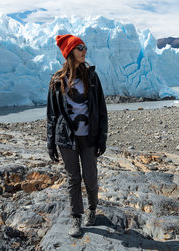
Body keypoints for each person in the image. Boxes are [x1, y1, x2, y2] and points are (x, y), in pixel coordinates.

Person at [47, 34, 108, 237]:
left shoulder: (91, 77)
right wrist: (50, 143)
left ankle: (92, 209)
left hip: (88, 136)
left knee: (90, 177)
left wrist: (102, 137)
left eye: (84, 47)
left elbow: (101, 109)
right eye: (79, 47)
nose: (84, 51)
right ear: (69, 52)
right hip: (66, 137)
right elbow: (52, 114)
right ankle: (76, 217)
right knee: (73, 178)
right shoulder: (57, 80)